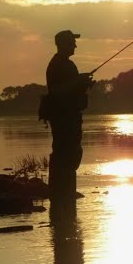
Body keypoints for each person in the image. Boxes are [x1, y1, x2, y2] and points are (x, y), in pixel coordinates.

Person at [44, 30, 94, 221]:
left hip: (67, 118)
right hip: (65, 119)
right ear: (63, 44)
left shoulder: (63, 64)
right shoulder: (60, 64)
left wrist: (81, 84)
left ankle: (63, 204)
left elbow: (67, 89)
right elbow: (58, 91)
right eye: (72, 42)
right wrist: (78, 81)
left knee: (68, 156)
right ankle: (62, 198)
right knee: (66, 156)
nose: (75, 45)